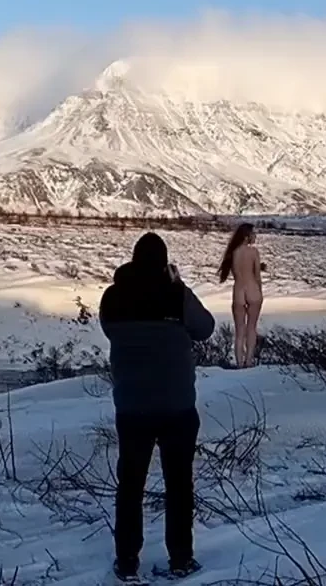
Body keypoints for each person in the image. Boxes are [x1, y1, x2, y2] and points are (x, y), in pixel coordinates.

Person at [99, 231, 214, 583]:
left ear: (134, 260)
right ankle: (180, 558)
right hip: (177, 405)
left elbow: (109, 329)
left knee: (130, 486)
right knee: (179, 485)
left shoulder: (114, 297)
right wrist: (178, 286)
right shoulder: (177, 294)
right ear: (165, 263)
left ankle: (127, 562)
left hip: (132, 406)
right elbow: (205, 328)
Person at [218, 222, 264, 368]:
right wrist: (260, 292)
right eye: (253, 233)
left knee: (239, 331)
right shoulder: (253, 252)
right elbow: (257, 276)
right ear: (246, 236)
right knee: (251, 328)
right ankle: (248, 361)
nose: (255, 236)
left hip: (238, 291)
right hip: (252, 290)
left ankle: (239, 364)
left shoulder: (233, 253)